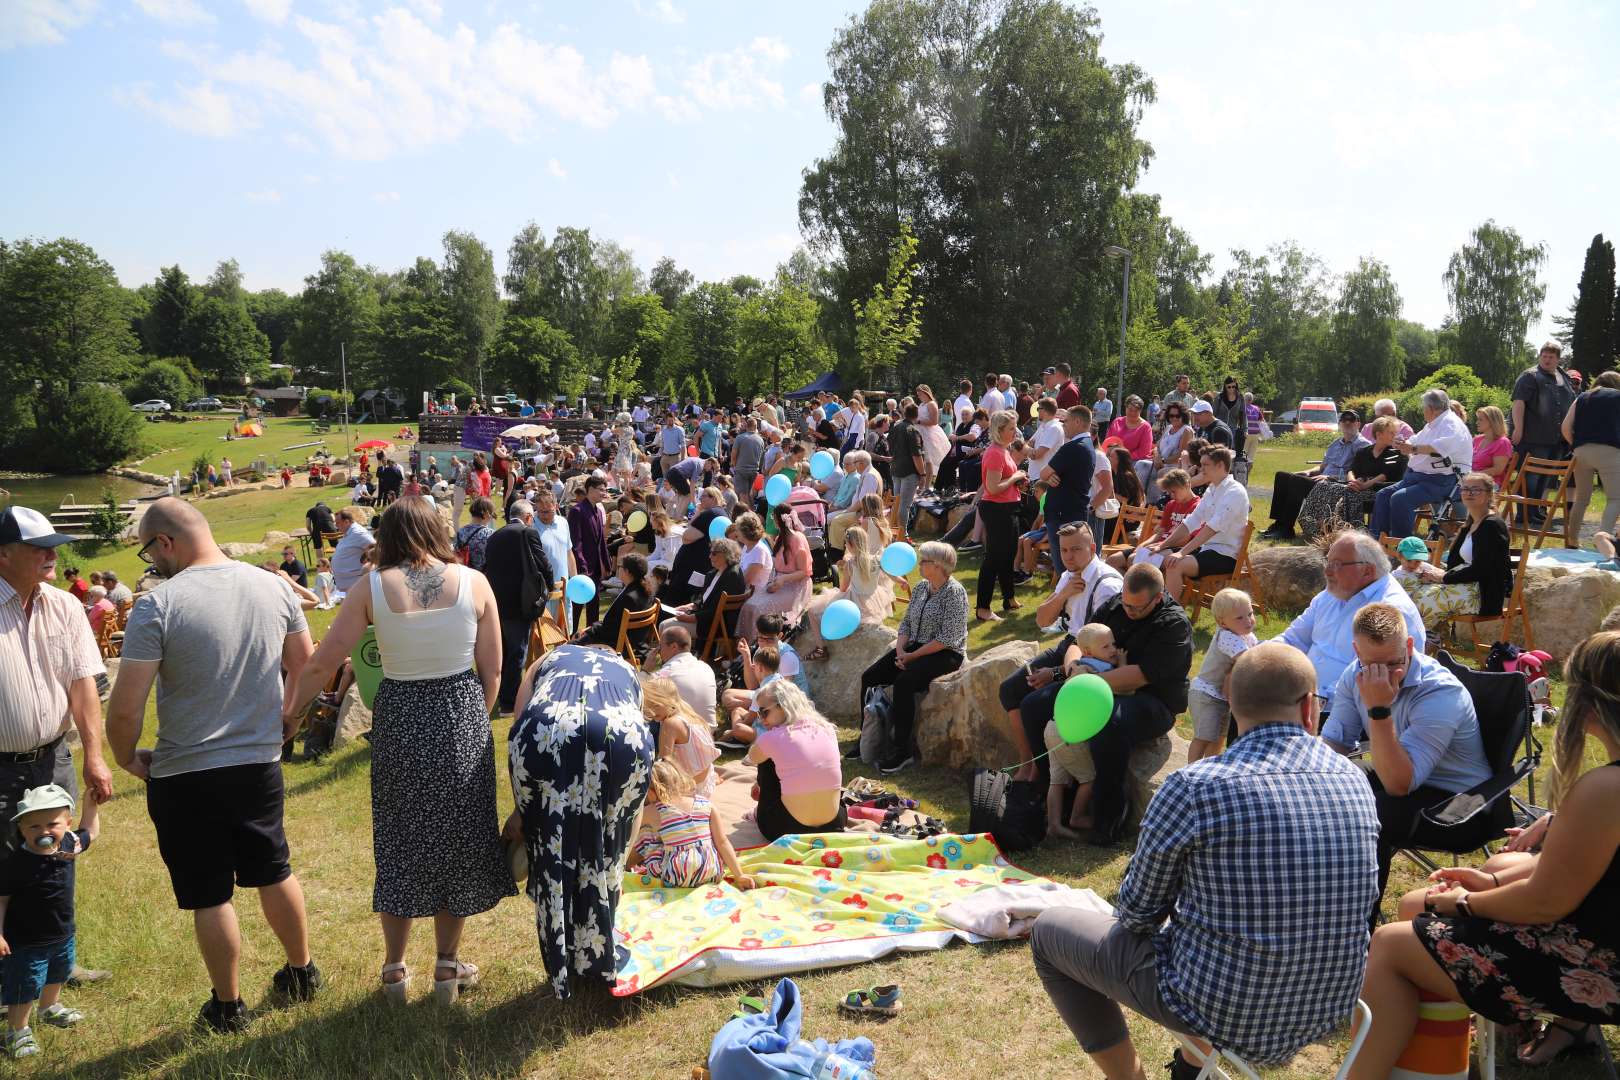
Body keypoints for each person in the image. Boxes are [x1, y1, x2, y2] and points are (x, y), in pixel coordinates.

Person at [1032, 642, 1379, 1079]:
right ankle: (1192, 1066)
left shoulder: (1195, 786)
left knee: (1049, 933)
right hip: (1331, 1003)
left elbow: (1136, 914)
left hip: (1222, 1007)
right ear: (1309, 708)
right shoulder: (1354, 779)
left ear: (1231, 706)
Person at [1351, 630, 1620, 1076]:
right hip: (1603, 936)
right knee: (1420, 903)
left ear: (1589, 705)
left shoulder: (1605, 790)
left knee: (1393, 942)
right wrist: (1493, 882)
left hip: (1602, 970)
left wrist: (1463, 902)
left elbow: (1544, 903)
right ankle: (1445, 1049)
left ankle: (1367, 1072)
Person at [283, 496, 512, 1005]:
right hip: (459, 712)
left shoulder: (369, 587)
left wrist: (289, 715)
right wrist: (473, 716)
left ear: (387, 536)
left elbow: (323, 664)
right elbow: (493, 670)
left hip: (401, 716)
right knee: (457, 841)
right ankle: (447, 970)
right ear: (436, 531)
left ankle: (393, 972)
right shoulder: (474, 583)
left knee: (401, 841)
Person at [106, 498, 321, 1032]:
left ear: (166, 543)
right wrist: (290, 717)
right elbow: (307, 665)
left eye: (149, 553)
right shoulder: (273, 586)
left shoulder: (159, 605)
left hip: (186, 771)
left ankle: (228, 1006)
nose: (152, 564)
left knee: (210, 892)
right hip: (257, 762)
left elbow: (127, 704)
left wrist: (125, 757)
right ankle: (302, 970)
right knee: (274, 868)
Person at [0, 507, 114, 992]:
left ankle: (57, 965)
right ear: (3, 555)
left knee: (58, 859)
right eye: (39, 547)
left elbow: (83, 685)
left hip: (53, 759)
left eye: (54, 545)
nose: (52, 554)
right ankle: (11, 976)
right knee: (4, 871)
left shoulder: (64, 605)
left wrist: (94, 754)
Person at [505, 645, 654, 1000]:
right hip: (623, 734)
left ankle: (561, 965)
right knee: (606, 851)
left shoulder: (546, 660)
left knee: (551, 849)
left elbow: (518, 720)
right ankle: (598, 955)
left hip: (548, 728)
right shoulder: (626, 670)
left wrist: (521, 810)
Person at [1320, 602, 1491, 908]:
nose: (1386, 676)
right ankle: (1315, 901)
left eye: (1395, 663)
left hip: (1459, 803)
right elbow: (1335, 741)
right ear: (1357, 652)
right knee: (1331, 788)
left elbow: (1400, 784)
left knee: (1368, 814)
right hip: (1402, 774)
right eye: (1374, 665)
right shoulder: (1354, 674)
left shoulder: (1440, 693)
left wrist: (1379, 709)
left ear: (1410, 645)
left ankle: (1359, 933)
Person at [1078, 563, 1193, 844]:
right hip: (1104, 686)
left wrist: (1082, 683)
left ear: (1158, 597)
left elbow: (1138, 677)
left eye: (1137, 608)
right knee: (1036, 704)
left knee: (1110, 723)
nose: (1128, 611)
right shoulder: (1118, 604)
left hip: (1154, 702)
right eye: (1126, 603)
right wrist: (1070, 669)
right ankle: (1037, 796)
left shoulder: (1173, 624)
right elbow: (1080, 639)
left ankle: (1109, 819)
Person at [1004, 524, 1123, 784]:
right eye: (1064, 550)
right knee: (1010, 689)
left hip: (1093, 660)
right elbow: (1042, 620)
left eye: (1076, 550)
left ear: (1093, 548)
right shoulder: (1070, 575)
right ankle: (1029, 764)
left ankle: (1045, 778)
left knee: (1031, 705)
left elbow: (1104, 650)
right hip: (1071, 644)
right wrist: (1064, 594)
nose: (1068, 556)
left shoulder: (1108, 586)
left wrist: (1056, 672)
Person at [0, 784, 99, 1059]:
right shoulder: (15, 863)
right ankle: (16, 1031)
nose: (43, 831)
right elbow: (2, 899)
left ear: (67, 824)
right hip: (26, 940)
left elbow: (90, 832)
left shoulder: (69, 843)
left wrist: (91, 805)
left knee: (59, 972)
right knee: (25, 984)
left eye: (52, 824)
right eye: (33, 827)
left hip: (62, 931)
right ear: (21, 829)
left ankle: (49, 1008)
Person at [860, 542, 969, 775]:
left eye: (924, 561)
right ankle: (867, 739)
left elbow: (946, 638)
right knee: (870, 676)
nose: (919, 564)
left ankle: (902, 751)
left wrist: (910, 657)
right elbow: (907, 622)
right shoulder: (921, 587)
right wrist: (901, 651)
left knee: (904, 683)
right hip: (914, 648)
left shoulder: (955, 593)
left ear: (939, 566)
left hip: (946, 654)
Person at [1398, 472, 1512, 633]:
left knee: (1423, 599)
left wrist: (1444, 577)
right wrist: (1436, 573)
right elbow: (1456, 563)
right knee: (1407, 583)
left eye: (1476, 490)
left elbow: (1483, 569)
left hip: (1481, 594)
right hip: (1465, 584)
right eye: (1465, 489)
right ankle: (1430, 635)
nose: (1469, 493)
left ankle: (1426, 639)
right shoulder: (1471, 523)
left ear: (1489, 494)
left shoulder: (1492, 525)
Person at [743, 680, 846, 842]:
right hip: (834, 824)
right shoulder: (827, 729)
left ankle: (761, 810)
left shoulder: (773, 738)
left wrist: (760, 783)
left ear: (783, 706)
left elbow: (753, 757)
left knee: (767, 759)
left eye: (763, 712)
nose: (761, 720)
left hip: (787, 829)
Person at [627, 758, 753, 890]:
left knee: (645, 834)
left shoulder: (654, 811)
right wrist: (739, 875)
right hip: (710, 871)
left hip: (676, 875)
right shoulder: (706, 804)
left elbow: (628, 828)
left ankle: (623, 866)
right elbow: (722, 842)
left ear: (651, 792)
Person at [482, 499, 557, 714]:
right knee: (517, 652)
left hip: (497, 602)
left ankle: (501, 695)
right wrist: (548, 588)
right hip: (520, 602)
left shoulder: (494, 535)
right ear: (527, 517)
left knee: (504, 651)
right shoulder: (527, 533)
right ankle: (509, 702)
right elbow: (543, 563)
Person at [1371, 387, 1474, 538]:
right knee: (1383, 495)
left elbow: (1440, 448)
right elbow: (1416, 440)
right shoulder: (1434, 423)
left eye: (1424, 408)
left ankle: (1401, 544)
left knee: (1400, 498)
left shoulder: (1451, 424)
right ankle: (1378, 539)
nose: (1423, 411)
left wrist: (1412, 448)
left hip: (1441, 481)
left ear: (1431, 408)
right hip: (1419, 477)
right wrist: (1403, 442)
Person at [1153, 447, 1250, 603]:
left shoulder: (1235, 492)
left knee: (1174, 564)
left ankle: (1169, 614)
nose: (1200, 468)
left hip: (1226, 555)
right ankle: (1156, 606)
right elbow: (1190, 522)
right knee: (1160, 556)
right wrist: (1162, 545)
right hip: (1207, 549)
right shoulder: (1212, 489)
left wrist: (1182, 553)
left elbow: (1211, 529)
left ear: (1220, 465)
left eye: (1205, 464)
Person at [1261, 410, 1367, 541]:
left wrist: (1330, 477)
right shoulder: (1335, 444)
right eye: (1343, 420)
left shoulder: (1363, 445)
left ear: (1358, 424)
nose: (1347, 423)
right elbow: (1322, 467)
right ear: (1339, 424)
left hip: (1335, 485)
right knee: (1282, 476)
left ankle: (1286, 528)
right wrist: (1309, 472)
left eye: (1351, 420)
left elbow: (1359, 473)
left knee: (1296, 482)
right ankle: (1278, 524)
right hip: (1321, 480)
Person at [1297, 414, 1406, 539]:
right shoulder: (1364, 451)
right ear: (1379, 434)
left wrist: (1364, 485)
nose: (1394, 436)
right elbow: (1351, 470)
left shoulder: (1395, 453)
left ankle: (1349, 529)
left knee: (1344, 491)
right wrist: (1353, 481)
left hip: (1378, 489)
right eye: (1391, 433)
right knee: (1323, 486)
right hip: (1357, 485)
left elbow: (1385, 475)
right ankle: (1314, 523)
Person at [1510, 341, 1579, 526]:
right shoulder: (1529, 376)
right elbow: (1518, 403)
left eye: (1551, 357)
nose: (1547, 360)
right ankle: (1523, 514)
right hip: (1533, 438)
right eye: (1544, 356)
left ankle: (1536, 511)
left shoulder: (1563, 376)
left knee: (1546, 478)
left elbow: (1572, 402)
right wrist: (1518, 428)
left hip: (1557, 440)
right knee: (1530, 477)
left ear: (1558, 359)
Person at [1186, 588, 1258, 762]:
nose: (1248, 621)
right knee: (1204, 737)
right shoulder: (1226, 637)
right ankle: (1191, 769)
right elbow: (1247, 659)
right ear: (1222, 622)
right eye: (1240, 618)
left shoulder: (1245, 634)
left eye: (1250, 613)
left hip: (1221, 696)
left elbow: (1257, 649)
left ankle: (1210, 769)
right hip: (1206, 694)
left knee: (1219, 737)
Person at [975, 411, 1027, 623]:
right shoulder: (995, 453)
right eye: (1011, 429)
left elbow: (1002, 482)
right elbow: (993, 488)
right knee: (994, 559)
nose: (1015, 432)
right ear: (999, 431)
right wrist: (1015, 476)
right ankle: (983, 608)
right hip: (996, 510)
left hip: (1008, 508)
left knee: (1008, 555)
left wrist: (1017, 482)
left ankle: (1009, 598)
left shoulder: (1003, 451)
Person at [1562, 368, 1620, 544]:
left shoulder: (1582, 397)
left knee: (1581, 498)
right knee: (1615, 498)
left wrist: (1576, 445)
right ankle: (1603, 540)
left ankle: (1572, 540)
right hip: (1610, 450)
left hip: (1581, 451)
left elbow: (1565, 427)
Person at [738, 506, 813, 640]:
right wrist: (774, 581)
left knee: (759, 608)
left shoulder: (797, 539)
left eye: (773, 517)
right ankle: (746, 644)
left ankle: (759, 644)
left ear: (779, 520)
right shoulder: (780, 538)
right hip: (779, 583)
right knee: (749, 605)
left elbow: (805, 572)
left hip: (796, 586)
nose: (772, 521)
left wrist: (783, 579)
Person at [666, 538, 748, 653]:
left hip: (713, 625)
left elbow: (715, 610)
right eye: (710, 552)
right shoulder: (715, 572)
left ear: (726, 555)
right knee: (665, 623)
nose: (710, 556)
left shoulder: (731, 576)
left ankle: (670, 660)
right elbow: (706, 599)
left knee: (666, 626)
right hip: (706, 618)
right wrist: (690, 606)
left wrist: (691, 618)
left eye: (714, 553)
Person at [1111, 469, 1197, 572]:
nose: (1171, 496)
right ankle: (1127, 586)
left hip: (1178, 548)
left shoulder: (1197, 506)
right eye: (1169, 492)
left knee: (1133, 560)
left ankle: (1141, 586)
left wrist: (1160, 546)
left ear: (1187, 485)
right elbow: (1160, 532)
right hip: (1161, 546)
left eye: (1174, 491)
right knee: (1112, 561)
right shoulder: (1171, 504)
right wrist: (1142, 545)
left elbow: (1185, 539)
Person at [575, 552, 654, 663]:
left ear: (627, 571)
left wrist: (589, 630)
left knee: (572, 645)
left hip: (619, 646)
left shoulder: (629, 598)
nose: (618, 569)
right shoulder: (646, 591)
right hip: (635, 643)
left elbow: (608, 630)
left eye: (620, 566)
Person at [1038, 406, 1097, 554]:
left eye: (1066, 421)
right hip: (1073, 511)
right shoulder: (1087, 445)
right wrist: (1051, 476)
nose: (1064, 425)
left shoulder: (1073, 447)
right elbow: (1053, 475)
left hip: (1062, 515)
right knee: (1072, 565)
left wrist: (1048, 476)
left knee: (1065, 564)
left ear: (1077, 422)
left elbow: (1044, 473)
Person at [664, 487, 723, 608]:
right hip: (702, 565)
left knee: (676, 600)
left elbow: (686, 537)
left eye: (703, 496)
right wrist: (698, 511)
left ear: (713, 498)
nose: (700, 499)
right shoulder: (720, 513)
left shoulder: (710, 514)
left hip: (691, 566)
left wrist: (700, 513)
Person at [649, 624, 717, 728]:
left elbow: (638, 692)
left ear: (674, 647)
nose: (659, 651)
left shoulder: (667, 672)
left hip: (686, 736)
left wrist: (645, 669)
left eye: (660, 646)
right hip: (709, 732)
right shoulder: (706, 667)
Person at [568, 476, 611, 633]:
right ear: (590, 490)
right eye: (601, 490)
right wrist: (582, 567)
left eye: (605, 490)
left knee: (594, 606)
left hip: (596, 569)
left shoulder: (598, 511)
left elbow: (601, 541)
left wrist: (606, 563)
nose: (604, 493)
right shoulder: (577, 511)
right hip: (582, 569)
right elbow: (576, 543)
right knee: (577, 606)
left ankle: (593, 636)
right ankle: (572, 635)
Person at [530, 489, 575, 628]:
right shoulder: (531, 527)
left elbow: (569, 552)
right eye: (540, 511)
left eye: (548, 511)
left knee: (565, 629)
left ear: (555, 506)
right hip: (542, 590)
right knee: (544, 633)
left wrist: (574, 579)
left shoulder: (563, 522)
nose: (543, 515)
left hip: (564, 588)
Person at [888, 402, 925, 541]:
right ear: (917, 415)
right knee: (904, 504)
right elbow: (917, 455)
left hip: (896, 469)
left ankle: (895, 533)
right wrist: (922, 474)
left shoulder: (895, 426)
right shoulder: (912, 430)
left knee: (897, 503)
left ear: (904, 413)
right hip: (908, 472)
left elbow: (890, 448)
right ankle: (903, 535)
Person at [914, 384, 952, 491]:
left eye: (920, 394)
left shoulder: (931, 404)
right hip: (919, 433)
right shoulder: (921, 404)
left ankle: (926, 486)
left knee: (928, 460)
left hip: (929, 435)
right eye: (918, 394)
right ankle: (921, 485)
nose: (919, 396)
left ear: (926, 393)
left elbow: (934, 421)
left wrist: (919, 421)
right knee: (922, 460)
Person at [329, 508, 374, 595]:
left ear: (347, 522)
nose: (336, 526)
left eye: (338, 523)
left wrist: (366, 561)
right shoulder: (349, 533)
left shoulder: (358, 533)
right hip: (349, 584)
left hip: (356, 582)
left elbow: (375, 548)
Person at [1471, 404, 1513, 489]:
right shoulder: (1477, 440)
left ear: (1492, 421)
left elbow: (1498, 470)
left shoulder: (1502, 443)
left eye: (1480, 420)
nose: (1477, 422)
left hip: (1489, 483)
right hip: (1471, 480)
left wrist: (1474, 475)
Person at [455, 496, 497, 571]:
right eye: (492, 514)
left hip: (466, 573)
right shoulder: (490, 534)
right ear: (486, 514)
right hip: (483, 576)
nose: (491, 517)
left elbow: (456, 552)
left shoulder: (461, 531)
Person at [730, 417, 765, 500]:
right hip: (754, 470)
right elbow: (762, 457)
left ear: (746, 426)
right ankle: (751, 511)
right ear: (756, 426)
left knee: (742, 494)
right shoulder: (760, 440)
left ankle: (747, 512)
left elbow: (733, 454)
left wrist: (734, 466)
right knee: (749, 494)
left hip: (741, 469)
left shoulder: (740, 437)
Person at [1213, 376, 1247, 460]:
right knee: (1219, 452)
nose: (1231, 389)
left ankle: (1230, 471)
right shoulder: (1219, 397)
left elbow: (1243, 414)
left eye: (1233, 386)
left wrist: (1245, 430)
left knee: (1231, 454)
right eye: (1229, 387)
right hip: (1219, 428)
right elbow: (1213, 413)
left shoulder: (1240, 398)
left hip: (1233, 430)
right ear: (1225, 386)